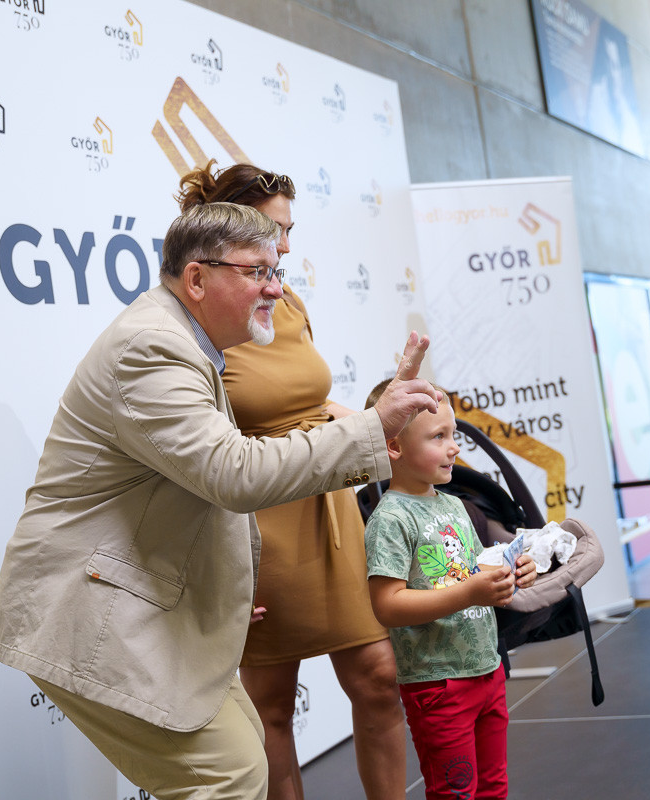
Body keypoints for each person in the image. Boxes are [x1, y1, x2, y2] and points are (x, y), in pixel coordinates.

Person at [0, 202, 441, 800]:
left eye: (277, 271)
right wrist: (373, 427)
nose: (276, 289)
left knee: (243, 763)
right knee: (230, 777)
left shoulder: (189, 343)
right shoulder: (152, 347)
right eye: (258, 272)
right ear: (197, 279)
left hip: (150, 601)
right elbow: (233, 473)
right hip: (93, 608)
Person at [176, 161, 406, 800]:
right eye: (271, 230)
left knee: (379, 677)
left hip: (329, 505)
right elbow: (197, 445)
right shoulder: (196, 318)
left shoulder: (289, 301)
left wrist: (386, 429)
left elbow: (309, 402)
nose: (283, 246)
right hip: (258, 520)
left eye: (288, 231)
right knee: (272, 703)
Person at [362, 380, 537, 800]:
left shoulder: (455, 505)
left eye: (453, 435)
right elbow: (387, 605)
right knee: (454, 793)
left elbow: (475, 571)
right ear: (394, 447)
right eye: (438, 437)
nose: (454, 448)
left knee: (493, 788)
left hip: (486, 670)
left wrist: (513, 570)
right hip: (437, 684)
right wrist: (470, 593)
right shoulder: (390, 519)